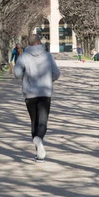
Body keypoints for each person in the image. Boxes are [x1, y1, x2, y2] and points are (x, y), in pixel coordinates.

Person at [14, 34, 61, 162]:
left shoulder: (23, 56)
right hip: (45, 92)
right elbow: (57, 73)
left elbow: (17, 74)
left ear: (28, 44)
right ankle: (39, 139)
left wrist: (26, 77)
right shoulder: (48, 56)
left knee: (34, 121)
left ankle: (38, 151)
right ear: (39, 42)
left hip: (30, 93)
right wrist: (48, 80)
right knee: (43, 121)